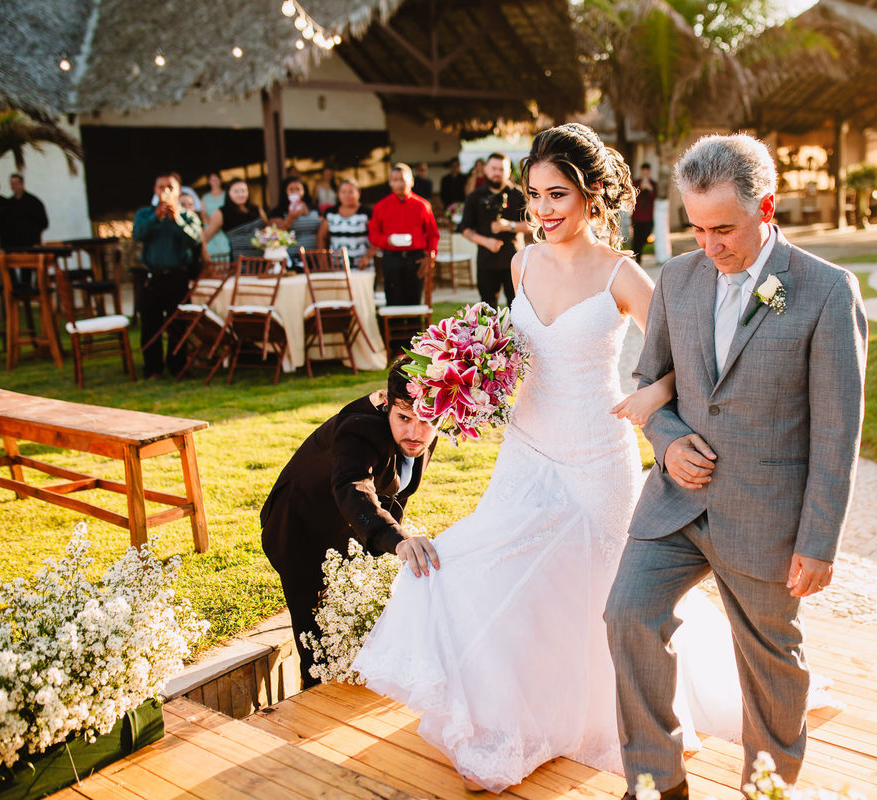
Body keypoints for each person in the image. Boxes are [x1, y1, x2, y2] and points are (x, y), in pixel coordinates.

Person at [350, 123, 743, 793]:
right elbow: (517, 351)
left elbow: (692, 356)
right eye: (534, 195)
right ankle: (507, 719)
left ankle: (619, 719)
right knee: (488, 570)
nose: (544, 210)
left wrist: (653, 391)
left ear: (592, 195)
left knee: (599, 595)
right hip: (526, 450)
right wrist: (471, 375)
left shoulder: (622, 273)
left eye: (557, 194)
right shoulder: (523, 261)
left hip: (597, 457)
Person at [605, 134, 868, 798]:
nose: (709, 244)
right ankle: (655, 782)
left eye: (723, 228)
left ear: (767, 207)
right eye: (696, 227)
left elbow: (838, 431)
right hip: (676, 504)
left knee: (771, 668)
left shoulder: (827, 291)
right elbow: (651, 376)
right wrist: (665, 438)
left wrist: (818, 540)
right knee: (627, 615)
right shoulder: (677, 279)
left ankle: (767, 791)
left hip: (765, 515)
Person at [261, 359, 439, 688]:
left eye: (427, 420)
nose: (415, 433)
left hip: (352, 532)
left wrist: (380, 550)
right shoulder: (358, 428)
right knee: (317, 650)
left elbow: (398, 490)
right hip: (301, 528)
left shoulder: (419, 432)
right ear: (386, 402)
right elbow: (353, 488)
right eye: (403, 418)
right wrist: (396, 539)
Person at [133, 172, 204, 378]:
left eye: (170, 187)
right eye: (161, 187)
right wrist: (156, 217)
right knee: (150, 323)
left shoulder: (188, 216)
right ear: (155, 190)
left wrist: (176, 220)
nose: (165, 191)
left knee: (178, 324)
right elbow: (138, 235)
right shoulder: (145, 214)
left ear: (178, 190)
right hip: (152, 277)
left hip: (177, 277)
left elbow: (195, 241)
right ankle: (152, 368)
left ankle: (178, 366)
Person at [459, 152, 530, 308]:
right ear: (485, 169)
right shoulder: (474, 197)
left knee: (519, 307)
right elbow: (465, 229)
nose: (497, 173)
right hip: (486, 261)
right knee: (487, 310)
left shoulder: (518, 194)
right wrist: (486, 242)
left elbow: (533, 225)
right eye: (494, 168)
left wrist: (509, 226)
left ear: (509, 171)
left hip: (514, 260)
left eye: (501, 169)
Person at [366, 163, 438, 303]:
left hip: (415, 258)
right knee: (393, 302)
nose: (399, 184)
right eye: (395, 180)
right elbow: (373, 235)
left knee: (414, 301)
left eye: (402, 180)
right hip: (391, 258)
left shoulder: (422, 206)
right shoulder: (381, 207)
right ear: (390, 182)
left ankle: (416, 325)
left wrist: (429, 258)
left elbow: (433, 235)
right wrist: (387, 240)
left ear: (411, 181)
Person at [203, 178, 266, 264]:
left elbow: (269, 231)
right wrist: (205, 256)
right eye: (236, 192)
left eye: (244, 191)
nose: (241, 194)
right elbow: (205, 237)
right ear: (228, 193)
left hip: (263, 261)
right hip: (240, 263)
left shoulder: (257, 209)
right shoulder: (221, 213)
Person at [317, 178, 372, 268]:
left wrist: (367, 257)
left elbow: (375, 238)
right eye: (343, 192)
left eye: (351, 192)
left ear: (358, 193)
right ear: (338, 194)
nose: (347, 195)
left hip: (361, 266)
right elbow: (321, 237)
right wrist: (324, 262)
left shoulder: (366, 213)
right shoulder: (330, 213)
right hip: (336, 266)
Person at [269, 176, 321, 265]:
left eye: (298, 189)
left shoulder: (313, 208)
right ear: (285, 192)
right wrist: (290, 218)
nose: (295, 192)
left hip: (315, 256)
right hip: (293, 258)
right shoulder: (278, 211)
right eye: (291, 189)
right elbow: (276, 235)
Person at [0, 174, 49, 248]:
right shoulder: (8, 204)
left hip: (31, 243)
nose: (14, 186)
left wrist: (36, 240)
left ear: (22, 184)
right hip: (13, 244)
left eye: (16, 184)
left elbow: (43, 222)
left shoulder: (33, 202)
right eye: (12, 184)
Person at [630, 163, 657, 264]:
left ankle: (637, 254)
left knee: (646, 236)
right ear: (641, 172)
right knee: (636, 238)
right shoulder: (636, 183)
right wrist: (641, 188)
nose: (645, 174)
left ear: (649, 173)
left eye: (647, 173)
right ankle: (637, 259)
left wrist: (650, 189)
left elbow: (655, 199)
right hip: (637, 216)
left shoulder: (653, 184)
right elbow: (632, 197)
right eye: (643, 172)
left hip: (648, 217)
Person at [201, 173, 230, 260]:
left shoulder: (226, 195)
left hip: (223, 227)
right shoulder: (205, 197)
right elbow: (203, 214)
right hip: (209, 227)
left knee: (225, 249)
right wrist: (212, 224)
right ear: (209, 182)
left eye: (217, 179)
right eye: (212, 180)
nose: (215, 182)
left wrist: (218, 223)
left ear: (220, 180)